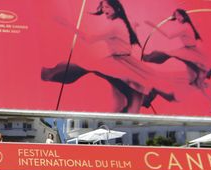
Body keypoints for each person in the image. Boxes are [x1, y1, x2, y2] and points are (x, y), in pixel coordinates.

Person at [41, 0, 177, 113]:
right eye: (103, 7)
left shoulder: (115, 25)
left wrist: (67, 24)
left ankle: (49, 73)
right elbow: (129, 32)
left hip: (120, 61)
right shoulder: (123, 21)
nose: (104, 9)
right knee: (135, 92)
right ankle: (50, 73)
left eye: (107, 7)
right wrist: (135, 26)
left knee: (135, 91)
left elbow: (89, 39)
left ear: (116, 8)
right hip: (124, 61)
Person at [143, 8, 211, 112]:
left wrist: (153, 25)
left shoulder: (185, 27)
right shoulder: (186, 26)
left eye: (179, 15)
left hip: (191, 53)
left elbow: (169, 36)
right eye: (176, 15)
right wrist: (165, 19)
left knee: (169, 55)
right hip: (188, 52)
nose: (178, 18)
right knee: (195, 81)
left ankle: (210, 90)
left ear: (184, 16)